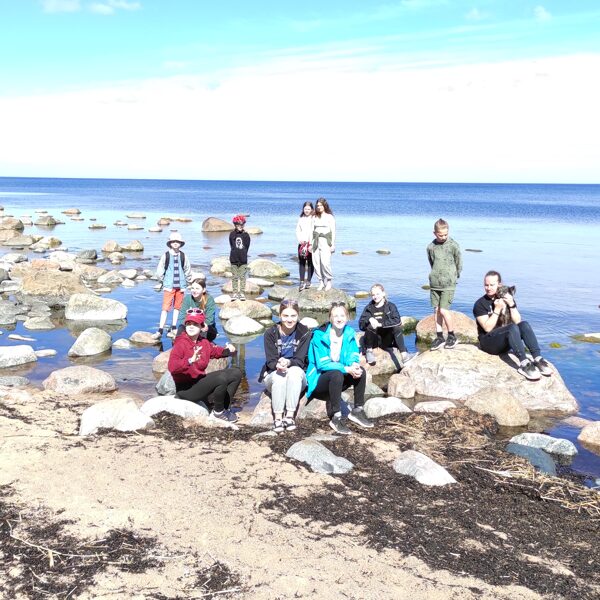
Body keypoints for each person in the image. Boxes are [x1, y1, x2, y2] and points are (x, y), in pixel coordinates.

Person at [306, 302, 373, 434]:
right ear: (330, 318)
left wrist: (354, 365)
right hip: (319, 382)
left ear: (347, 317)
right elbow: (322, 364)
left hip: (338, 381)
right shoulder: (319, 336)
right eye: (335, 315)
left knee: (361, 371)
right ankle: (336, 417)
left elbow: (353, 354)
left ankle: (357, 410)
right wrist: (346, 369)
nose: (339, 318)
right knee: (336, 373)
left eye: (342, 315)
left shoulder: (348, 333)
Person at [473, 270, 553, 381]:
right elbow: (487, 328)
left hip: (505, 342)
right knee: (511, 328)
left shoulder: (506, 298)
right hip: (488, 344)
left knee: (524, 325)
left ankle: (537, 359)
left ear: (499, 285)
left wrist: (511, 304)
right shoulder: (480, 304)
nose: (488, 288)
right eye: (486, 285)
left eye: (492, 285)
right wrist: (497, 309)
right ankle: (524, 364)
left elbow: (518, 321)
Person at [168, 310, 242, 422]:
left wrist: (230, 350)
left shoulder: (203, 342)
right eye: (189, 324)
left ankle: (223, 408)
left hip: (200, 384)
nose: (191, 327)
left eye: (195, 324)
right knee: (220, 379)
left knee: (235, 373)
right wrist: (190, 360)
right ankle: (218, 413)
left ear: (202, 327)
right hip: (186, 389)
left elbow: (216, 352)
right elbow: (172, 368)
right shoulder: (180, 343)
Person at [259, 300, 312, 433]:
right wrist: (278, 365)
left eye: (293, 316)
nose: (289, 320)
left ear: (298, 315)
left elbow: (300, 360)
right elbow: (270, 361)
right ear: (280, 316)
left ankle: (289, 416)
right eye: (286, 316)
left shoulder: (304, 332)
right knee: (279, 376)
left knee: (294, 372)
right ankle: (277, 418)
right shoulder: (270, 333)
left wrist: (288, 362)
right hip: (275, 372)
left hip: (296, 373)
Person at [358, 283, 415, 367]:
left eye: (378, 294)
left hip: (386, 339)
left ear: (383, 293)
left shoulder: (390, 306)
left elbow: (397, 321)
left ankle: (404, 356)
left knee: (397, 328)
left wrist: (380, 324)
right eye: (373, 295)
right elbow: (361, 325)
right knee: (371, 325)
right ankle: (369, 352)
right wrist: (369, 319)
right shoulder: (369, 308)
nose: (375, 296)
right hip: (374, 340)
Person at [426, 218, 462, 350]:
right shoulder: (430, 247)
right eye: (440, 235)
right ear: (434, 233)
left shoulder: (453, 245)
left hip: (449, 283)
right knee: (436, 310)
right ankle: (439, 336)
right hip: (435, 282)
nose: (443, 237)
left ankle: (452, 336)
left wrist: (455, 275)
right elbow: (432, 262)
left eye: (446, 234)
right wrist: (435, 275)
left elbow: (459, 262)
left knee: (444, 310)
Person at [153, 232, 193, 339]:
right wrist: (162, 281)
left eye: (177, 242)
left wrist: (189, 281)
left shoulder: (183, 256)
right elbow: (160, 270)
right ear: (170, 243)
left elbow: (187, 269)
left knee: (177, 308)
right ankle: (160, 329)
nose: (175, 243)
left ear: (180, 243)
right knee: (165, 308)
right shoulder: (165, 255)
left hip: (181, 286)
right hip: (169, 286)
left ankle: (174, 327)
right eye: (173, 242)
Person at [176, 276, 218, 341]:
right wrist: (189, 326)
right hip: (190, 326)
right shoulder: (187, 299)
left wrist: (199, 326)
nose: (194, 291)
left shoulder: (209, 299)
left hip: (206, 327)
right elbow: (181, 317)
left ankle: (202, 347)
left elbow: (210, 319)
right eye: (192, 288)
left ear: (203, 290)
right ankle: (177, 346)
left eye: (197, 288)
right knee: (181, 328)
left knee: (204, 329)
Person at [312, 198, 336, 291]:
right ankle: (321, 282)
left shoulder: (330, 217)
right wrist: (310, 244)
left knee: (325, 263)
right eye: (317, 205)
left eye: (321, 205)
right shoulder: (314, 217)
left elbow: (333, 231)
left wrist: (333, 244)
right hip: (315, 241)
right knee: (316, 263)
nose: (319, 207)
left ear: (324, 206)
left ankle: (329, 281)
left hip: (326, 241)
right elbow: (311, 230)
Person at [229, 214, 251, 301]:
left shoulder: (246, 235)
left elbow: (247, 246)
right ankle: (235, 293)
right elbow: (232, 245)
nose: (240, 226)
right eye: (238, 225)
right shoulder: (232, 234)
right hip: (234, 259)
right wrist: (235, 253)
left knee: (242, 276)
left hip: (243, 260)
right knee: (234, 277)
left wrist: (243, 253)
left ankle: (241, 293)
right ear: (235, 225)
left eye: (242, 225)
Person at [296, 201, 314, 291]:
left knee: (311, 263)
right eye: (305, 209)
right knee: (302, 262)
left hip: (311, 244)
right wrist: (299, 239)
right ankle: (301, 281)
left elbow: (313, 232)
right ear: (303, 209)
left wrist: (311, 243)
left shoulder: (314, 218)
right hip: (302, 243)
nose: (307, 210)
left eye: (308, 209)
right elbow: (298, 230)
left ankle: (309, 281)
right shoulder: (301, 218)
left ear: (312, 209)